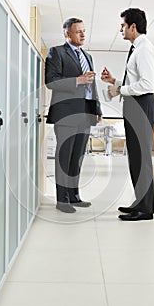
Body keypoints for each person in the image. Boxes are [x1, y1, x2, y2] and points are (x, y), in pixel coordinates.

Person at [101, 8, 154, 221]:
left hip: (142, 105)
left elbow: (147, 84)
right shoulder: (137, 49)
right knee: (135, 158)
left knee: (141, 159)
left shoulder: (144, 49)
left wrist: (120, 90)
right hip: (136, 105)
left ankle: (145, 209)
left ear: (133, 27)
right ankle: (139, 203)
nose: (121, 30)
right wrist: (115, 82)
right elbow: (135, 82)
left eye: (123, 26)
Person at [45, 17, 102, 213]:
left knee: (77, 158)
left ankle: (74, 196)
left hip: (85, 114)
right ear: (68, 34)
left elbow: (91, 85)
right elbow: (51, 82)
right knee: (64, 158)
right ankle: (62, 200)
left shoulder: (88, 56)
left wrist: (97, 109)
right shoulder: (56, 52)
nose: (83, 34)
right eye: (78, 31)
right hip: (66, 114)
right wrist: (77, 80)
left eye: (84, 31)